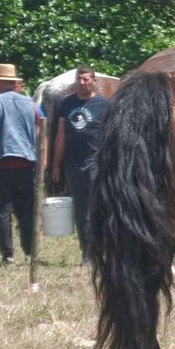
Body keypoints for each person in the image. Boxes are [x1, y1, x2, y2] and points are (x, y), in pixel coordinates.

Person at [0, 63, 41, 265]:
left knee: (3, 212)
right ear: (14, 83)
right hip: (26, 163)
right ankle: (30, 251)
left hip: (0, 165)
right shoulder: (31, 104)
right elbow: (41, 131)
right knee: (27, 210)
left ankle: (8, 255)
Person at [51, 65, 108, 261]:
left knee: (95, 207)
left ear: (94, 81)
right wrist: (56, 164)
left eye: (86, 79)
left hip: (95, 162)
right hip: (72, 163)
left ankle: (99, 249)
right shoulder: (67, 103)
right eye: (80, 79)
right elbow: (60, 134)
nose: (82, 83)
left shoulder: (104, 105)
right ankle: (86, 251)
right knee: (80, 209)